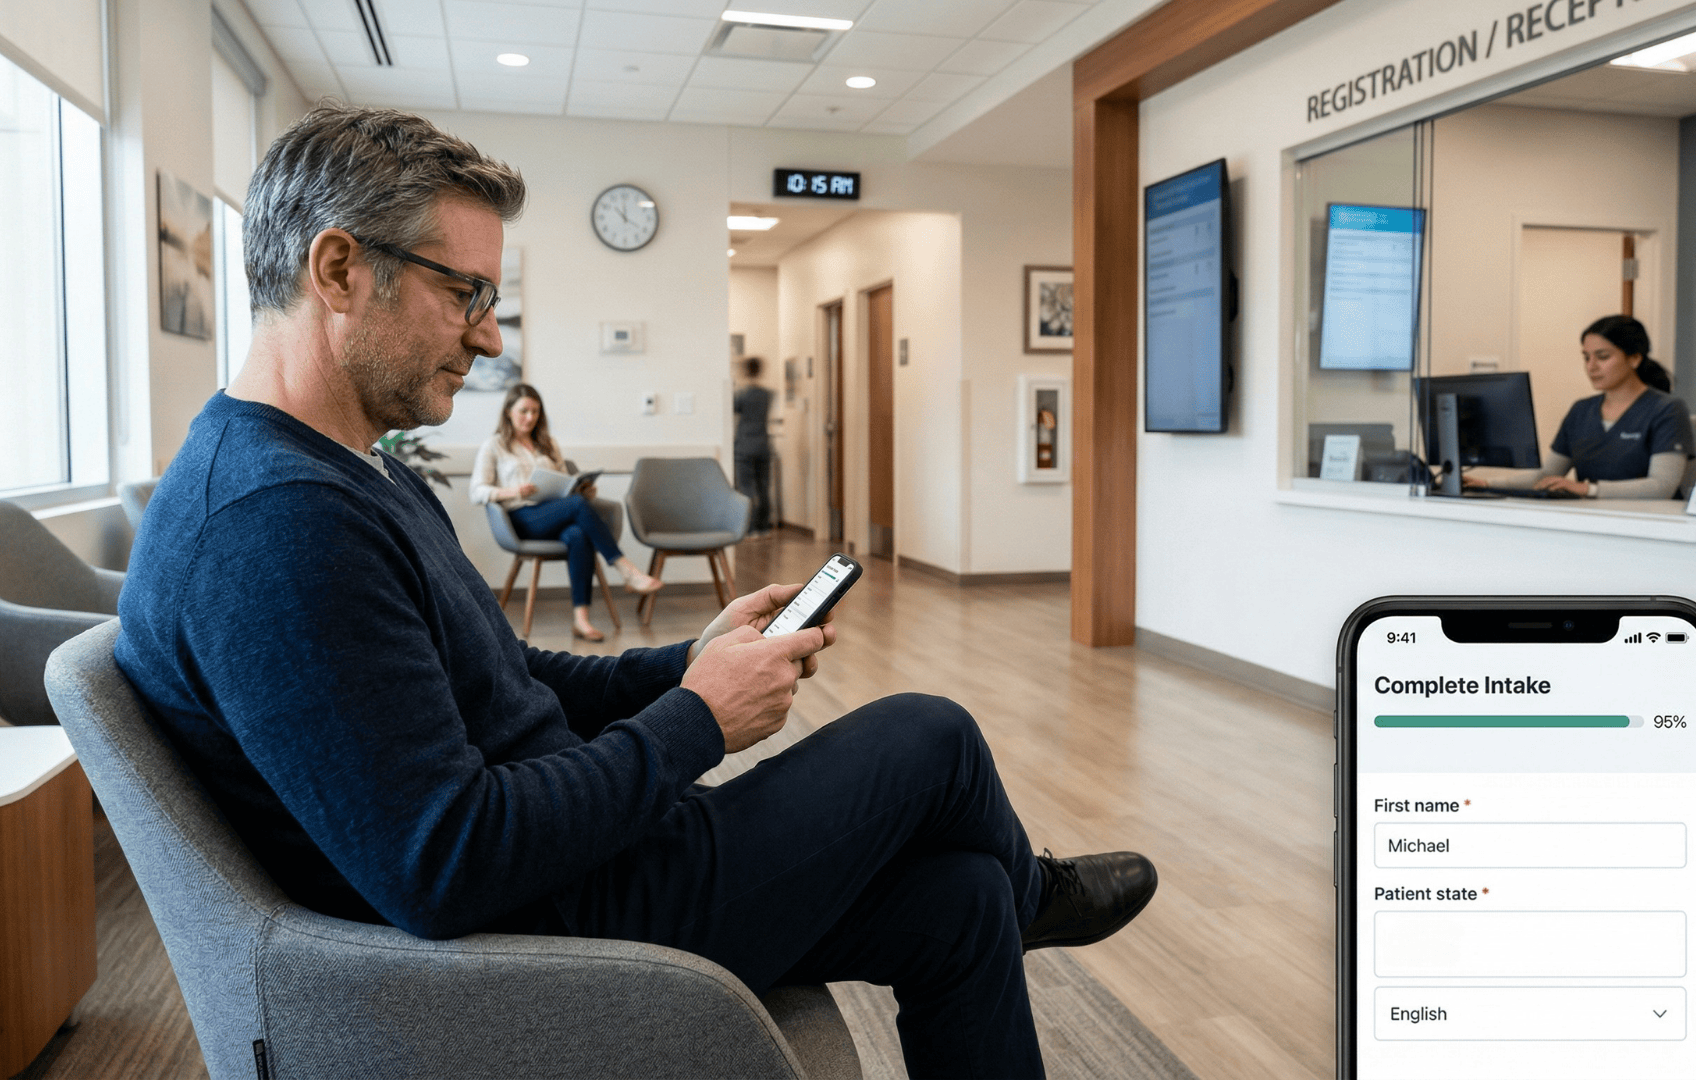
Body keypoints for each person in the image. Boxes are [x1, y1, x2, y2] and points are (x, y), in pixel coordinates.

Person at [113, 104, 1156, 1079]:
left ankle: (1015, 895)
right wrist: (698, 720)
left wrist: (684, 663)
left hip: (578, 862)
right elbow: (444, 862)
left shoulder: (351, 473)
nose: (488, 336)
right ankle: (1038, 894)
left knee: (962, 900)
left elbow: (506, 677)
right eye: (465, 293)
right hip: (541, 939)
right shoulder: (274, 524)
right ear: (339, 269)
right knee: (933, 736)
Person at [471, 382, 660, 641]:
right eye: (524, 411)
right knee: (577, 506)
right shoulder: (494, 446)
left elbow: (563, 484)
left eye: (535, 412)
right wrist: (514, 491)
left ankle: (581, 620)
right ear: (508, 412)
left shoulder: (548, 444)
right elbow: (477, 491)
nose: (530, 417)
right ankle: (626, 569)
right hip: (520, 518)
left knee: (577, 535)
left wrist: (581, 491)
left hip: (554, 513)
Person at [1465, 315, 1693, 499]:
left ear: (1634, 358)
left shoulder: (1667, 409)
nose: (1591, 367)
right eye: (1586, 358)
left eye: (1602, 357)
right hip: (1591, 519)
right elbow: (1548, 474)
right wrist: (1487, 483)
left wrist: (1588, 489)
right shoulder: (1581, 411)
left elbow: (1661, 486)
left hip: (1650, 523)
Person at [732, 356, 773, 535]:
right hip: (763, 445)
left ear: (745, 371)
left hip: (745, 446)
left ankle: (750, 528)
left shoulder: (742, 395)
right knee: (763, 487)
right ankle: (764, 526)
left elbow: (733, 408)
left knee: (746, 487)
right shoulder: (767, 395)